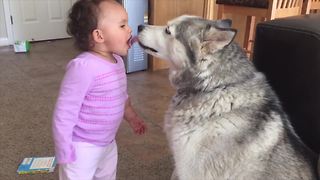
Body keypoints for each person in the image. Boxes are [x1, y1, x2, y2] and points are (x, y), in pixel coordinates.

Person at [52, 0, 146, 179]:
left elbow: (120, 96)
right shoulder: (83, 67)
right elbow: (64, 112)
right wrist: (63, 148)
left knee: (107, 176)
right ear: (99, 36)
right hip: (82, 147)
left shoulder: (117, 61)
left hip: (108, 142)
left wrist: (132, 117)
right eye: (122, 25)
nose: (129, 29)